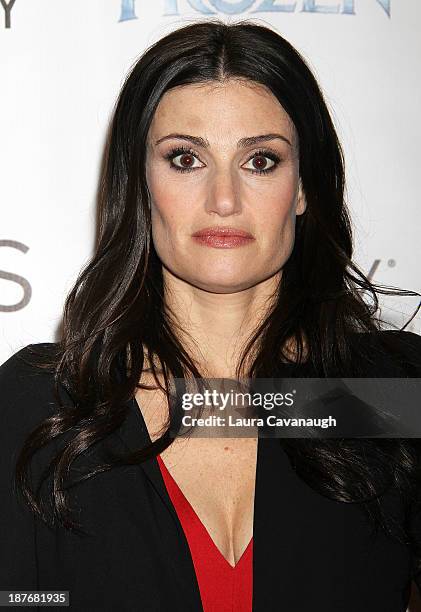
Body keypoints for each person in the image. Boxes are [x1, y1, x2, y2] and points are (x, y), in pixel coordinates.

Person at [1, 18, 421, 612]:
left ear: (304, 187)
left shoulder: (390, 393)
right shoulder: (43, 402)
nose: (223, 199)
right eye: (185, 159)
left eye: (261, 161)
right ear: (141, 184)